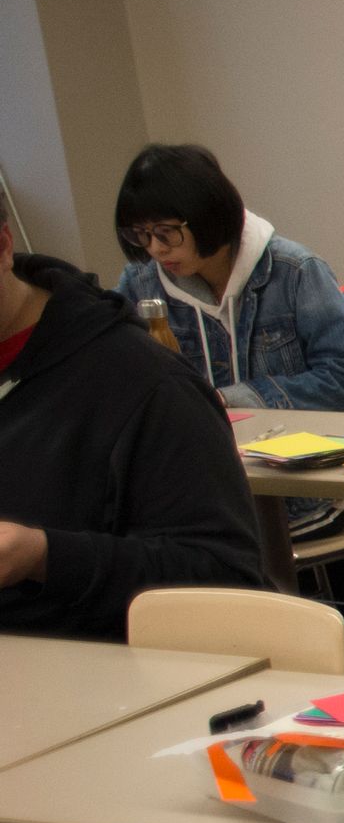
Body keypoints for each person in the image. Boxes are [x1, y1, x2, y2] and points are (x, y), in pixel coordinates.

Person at [0, 189, 264, 637]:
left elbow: (225, 578)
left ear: (4, 244)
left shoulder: (146, 385)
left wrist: (44, 556)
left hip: (100, 680)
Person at [113, 143, 344, 411]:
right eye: (140, 234)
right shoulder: (141, 282)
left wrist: (232, 399)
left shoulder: (296, 271)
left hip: (301, 444)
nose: (156, 248)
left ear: (205, 216)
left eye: (166, 231)